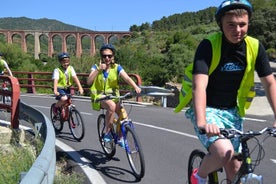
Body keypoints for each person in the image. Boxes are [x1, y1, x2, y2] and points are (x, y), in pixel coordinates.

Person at [183, 0, 276, 183]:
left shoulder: (255, 47)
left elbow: (270, 83)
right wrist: (203, 122)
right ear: (221, 25)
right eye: (231, 25)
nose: (238, 30)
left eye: (242, 24)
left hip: (233, 111)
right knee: (223, 152)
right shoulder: (209, 45)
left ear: (249, 23)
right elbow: (199, 86)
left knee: (235, 170)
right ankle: (198, 177)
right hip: (207, 109)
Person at [87, 44, 141, 147]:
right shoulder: (95, 67)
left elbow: (127, 78)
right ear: (101, 57)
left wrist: (135, 87)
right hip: (99, 97)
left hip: (114, 96)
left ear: (113, 57)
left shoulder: (117, 67)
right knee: (111, 106)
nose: (107, 58)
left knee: (123, 116)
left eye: (109, 56)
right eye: (104, 56)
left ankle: (120, 137)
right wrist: (98, 69)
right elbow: (89, 82)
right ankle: (107, 133)